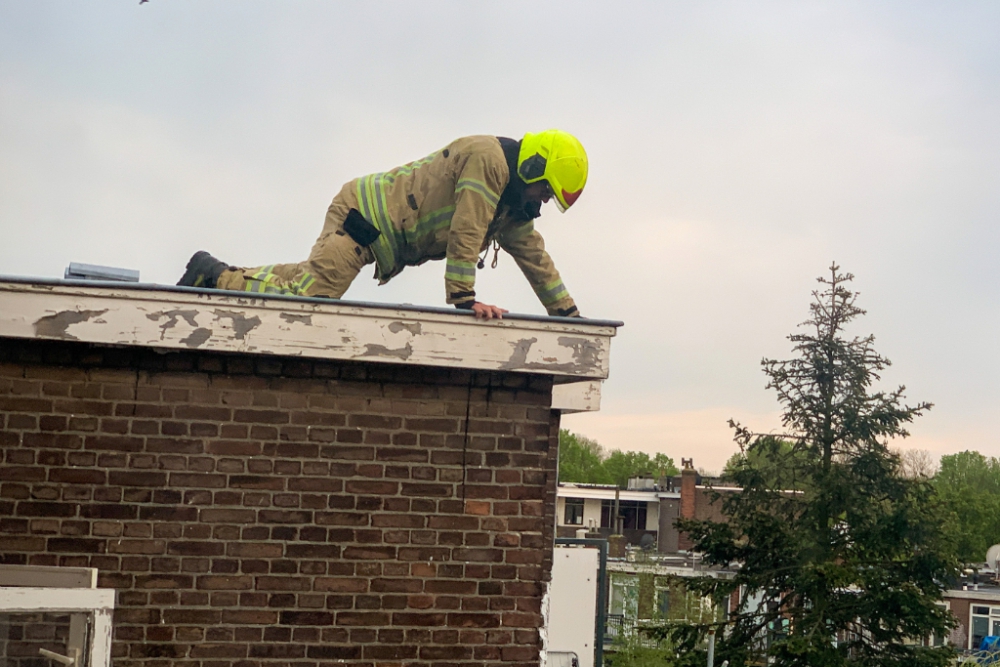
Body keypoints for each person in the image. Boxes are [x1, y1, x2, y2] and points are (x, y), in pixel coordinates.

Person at [177, 130, 587, 320]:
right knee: (312, 299)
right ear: (533, 168)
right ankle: (214, 277)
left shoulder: (511, 210)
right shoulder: (490, 161)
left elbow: (535, 256)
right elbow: (466, 228)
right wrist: (465, 299)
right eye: (545, 192)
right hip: (365, 221)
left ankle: (218, 273)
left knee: (305, 282)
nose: (542, 203)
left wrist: (567, 314)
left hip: (371, 224)